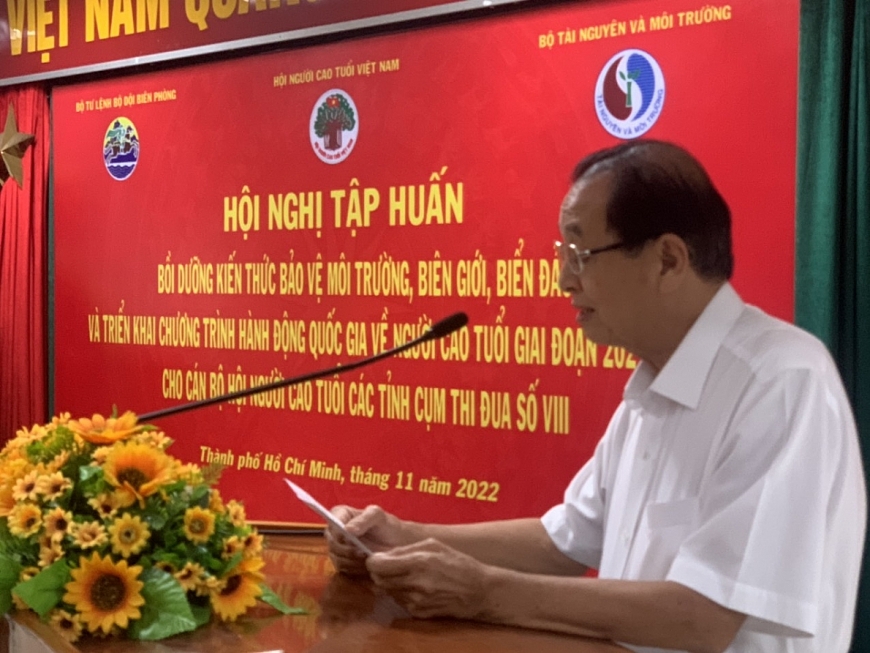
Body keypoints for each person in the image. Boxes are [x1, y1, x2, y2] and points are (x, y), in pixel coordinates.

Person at [326, 140, 867, 653]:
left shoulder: (781, 380)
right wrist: (400, 536)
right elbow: (561, 543)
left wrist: (486, 591)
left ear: (668, 260)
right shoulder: (652, 387)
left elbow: (707, 616)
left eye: (581, 254)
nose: (565, 279)